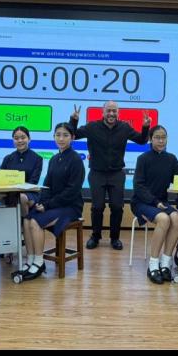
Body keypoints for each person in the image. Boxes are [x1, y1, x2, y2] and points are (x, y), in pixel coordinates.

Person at [70, 101, 151, 251]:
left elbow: (141, 140)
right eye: (108, 111)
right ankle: (95, 236)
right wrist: (74, 120)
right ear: (103, 112)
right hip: (97, 173)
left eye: (114, 111)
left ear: (118, 113)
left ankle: (115, 238)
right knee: (97, 207)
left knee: (117, 207)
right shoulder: (92, 127)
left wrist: (146, 127)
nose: (111, 114)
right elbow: (73, 135)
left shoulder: (124, 127)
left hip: (117, 174)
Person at [21, 123, 85, 280]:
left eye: (65, 135)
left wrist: (47, 205)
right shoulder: (54, 159)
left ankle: (39, 262)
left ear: (72, 138)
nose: (61, 138)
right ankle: (30, 259)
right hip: (54, 204)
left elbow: (71, 191)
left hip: (71, 206)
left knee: (35, 221)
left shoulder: (76, 160)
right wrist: (41, 202)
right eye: (58, 135)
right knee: (27, 219)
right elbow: (47, 186)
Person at [131, 125, 178, 284]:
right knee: (164, 219)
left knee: (177, 218)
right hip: (142, 202)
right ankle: (153, 264)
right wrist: (155, 202)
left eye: (163, 137)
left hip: (161, 202)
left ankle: (165, 263)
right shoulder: (143, 158)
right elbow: (139, 186)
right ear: (150, 139)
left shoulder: (171, 159)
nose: (161, 141)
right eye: (157, 137)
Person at [0, 126, 43, 217]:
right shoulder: (8, 158)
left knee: (22, 197)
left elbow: (33, 181)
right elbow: (1, 179)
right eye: (16, 138)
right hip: (10, 192)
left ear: (29, 139)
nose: (19, 141)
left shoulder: (37, 159)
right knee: (2, 197)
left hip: (29, 192)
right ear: (13, 140)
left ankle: (24, 223)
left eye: (23, 138)